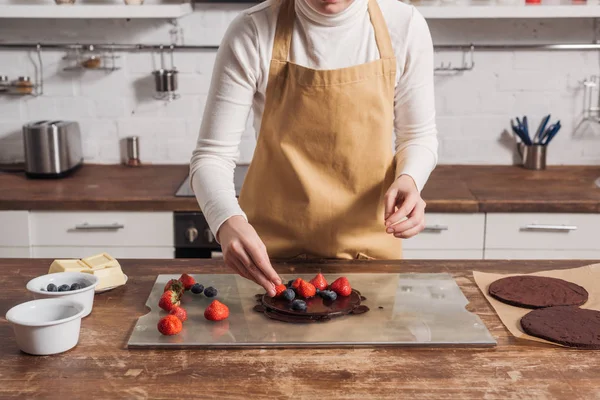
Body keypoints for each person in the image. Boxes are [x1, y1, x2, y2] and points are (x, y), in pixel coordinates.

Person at [190, 0, 438, 296]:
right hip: (269, 262)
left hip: (372, 256)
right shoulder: (253, 30)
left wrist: (410, 178)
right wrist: (227, 221)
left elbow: (418, 135)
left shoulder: (405, 25)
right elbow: (212, 156)